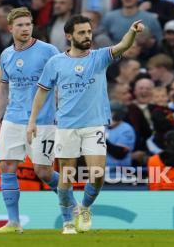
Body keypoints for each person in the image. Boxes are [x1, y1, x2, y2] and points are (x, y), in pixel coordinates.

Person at [27, 15, 144, 234]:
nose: (87, 36)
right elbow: (42, 92)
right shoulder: (56, 62)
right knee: (67, 176)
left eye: (89, 32)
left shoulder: (100, 57)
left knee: (98, 173)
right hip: (66, 126)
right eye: (82, 32)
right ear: (69, 36)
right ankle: (67, 222)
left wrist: (132, 31)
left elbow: (123, 45)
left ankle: (85, 208)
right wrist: (32, 121)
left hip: (95, 125)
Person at [0, 7, 60, 234]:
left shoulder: (48, 51)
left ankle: (73, 205)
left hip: (43, 120)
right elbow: (3, 87)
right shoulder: (7, 54)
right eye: (20, 25)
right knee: (6, 165)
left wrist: (61, 112)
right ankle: (13, 222)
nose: (25, 29)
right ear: (10, 28)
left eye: (28, 24)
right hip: (13, 117)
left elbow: (61, 83)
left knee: (43, 171)